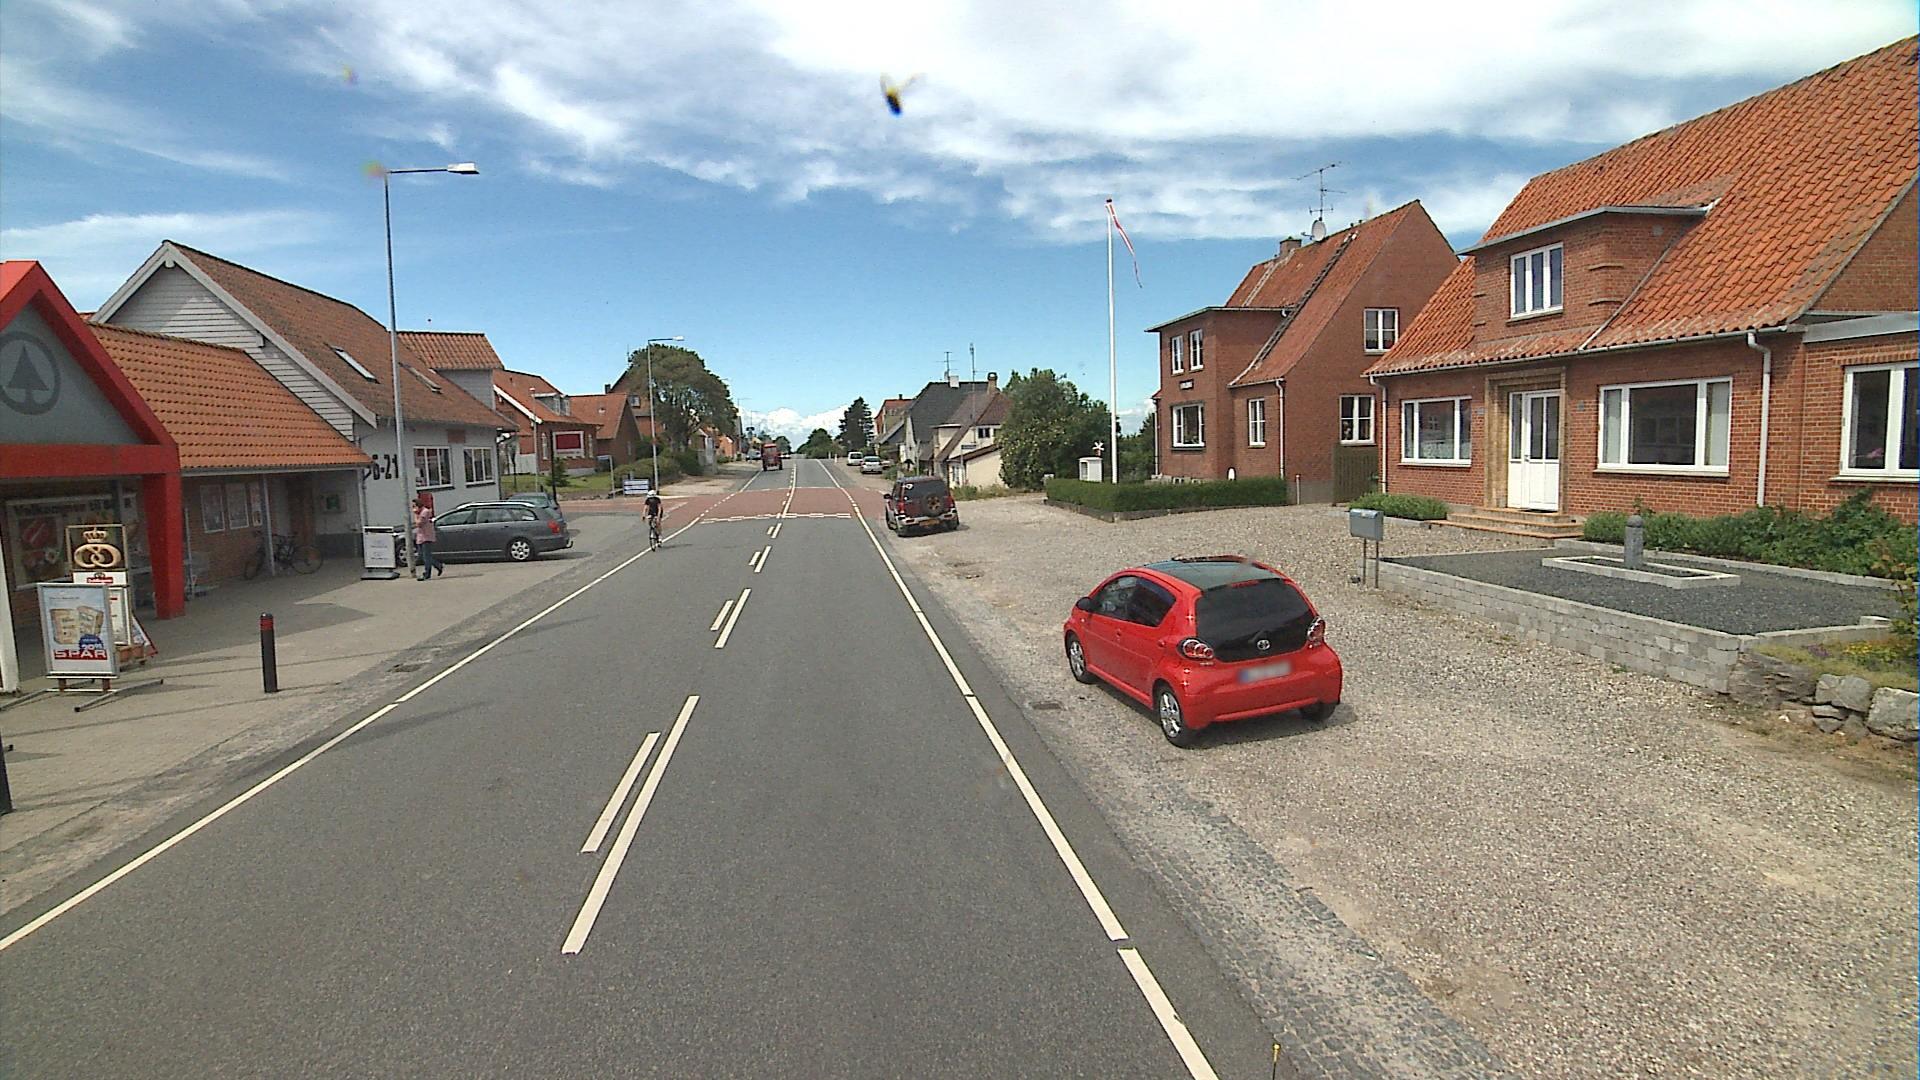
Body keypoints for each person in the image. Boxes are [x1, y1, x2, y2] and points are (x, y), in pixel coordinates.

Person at [412, 495, 442, 580]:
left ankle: (427, 574)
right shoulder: (420, 513)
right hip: (421, 536)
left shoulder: (425, 512)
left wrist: (415, 515)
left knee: (426, 556)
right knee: (422, 555)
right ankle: (438, 565)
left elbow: (419, 524)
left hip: (426, 536)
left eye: (414, 506)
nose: (413, 508)